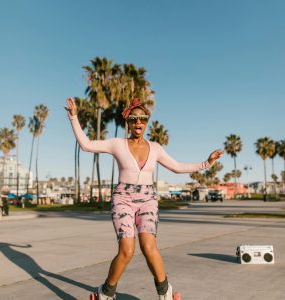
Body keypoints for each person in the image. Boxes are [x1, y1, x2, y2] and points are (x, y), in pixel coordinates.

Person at [66, 97, 224, 300]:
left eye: (142, 119)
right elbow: (86, 145)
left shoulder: (156, 147)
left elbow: (177, 167)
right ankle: (106, 293)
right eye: (134, 119)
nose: (138, 122)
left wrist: (206, 163)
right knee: (127, 250)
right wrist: (73, 117)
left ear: (146, 121)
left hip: (148, 199)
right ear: (128, 122)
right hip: (123, 198)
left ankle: (165, 292)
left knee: (149, 247)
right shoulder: (117, 144)